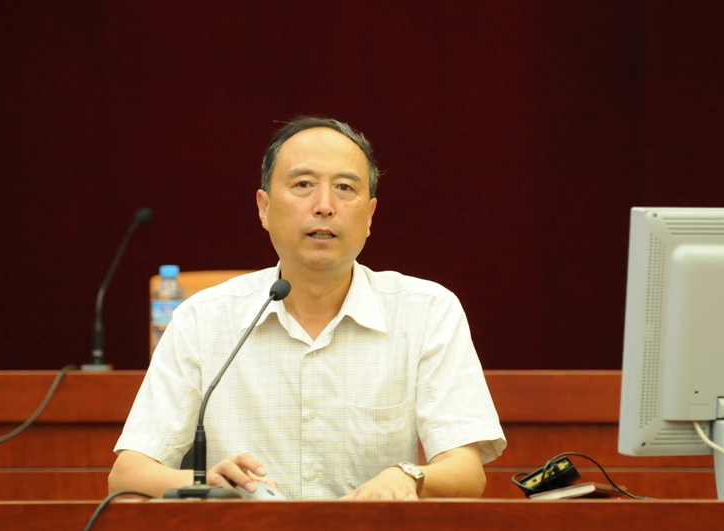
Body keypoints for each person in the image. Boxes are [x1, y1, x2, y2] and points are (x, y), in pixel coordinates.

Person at [108, 117, 506, 500]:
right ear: (264, 208)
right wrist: (204, 482)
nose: (324, 205)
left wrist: (407, 477)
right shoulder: (202, 319)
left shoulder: (427, 312)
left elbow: (467, 473)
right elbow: (127, 475)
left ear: (370, 215)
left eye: (345, 188)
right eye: (303, 184)